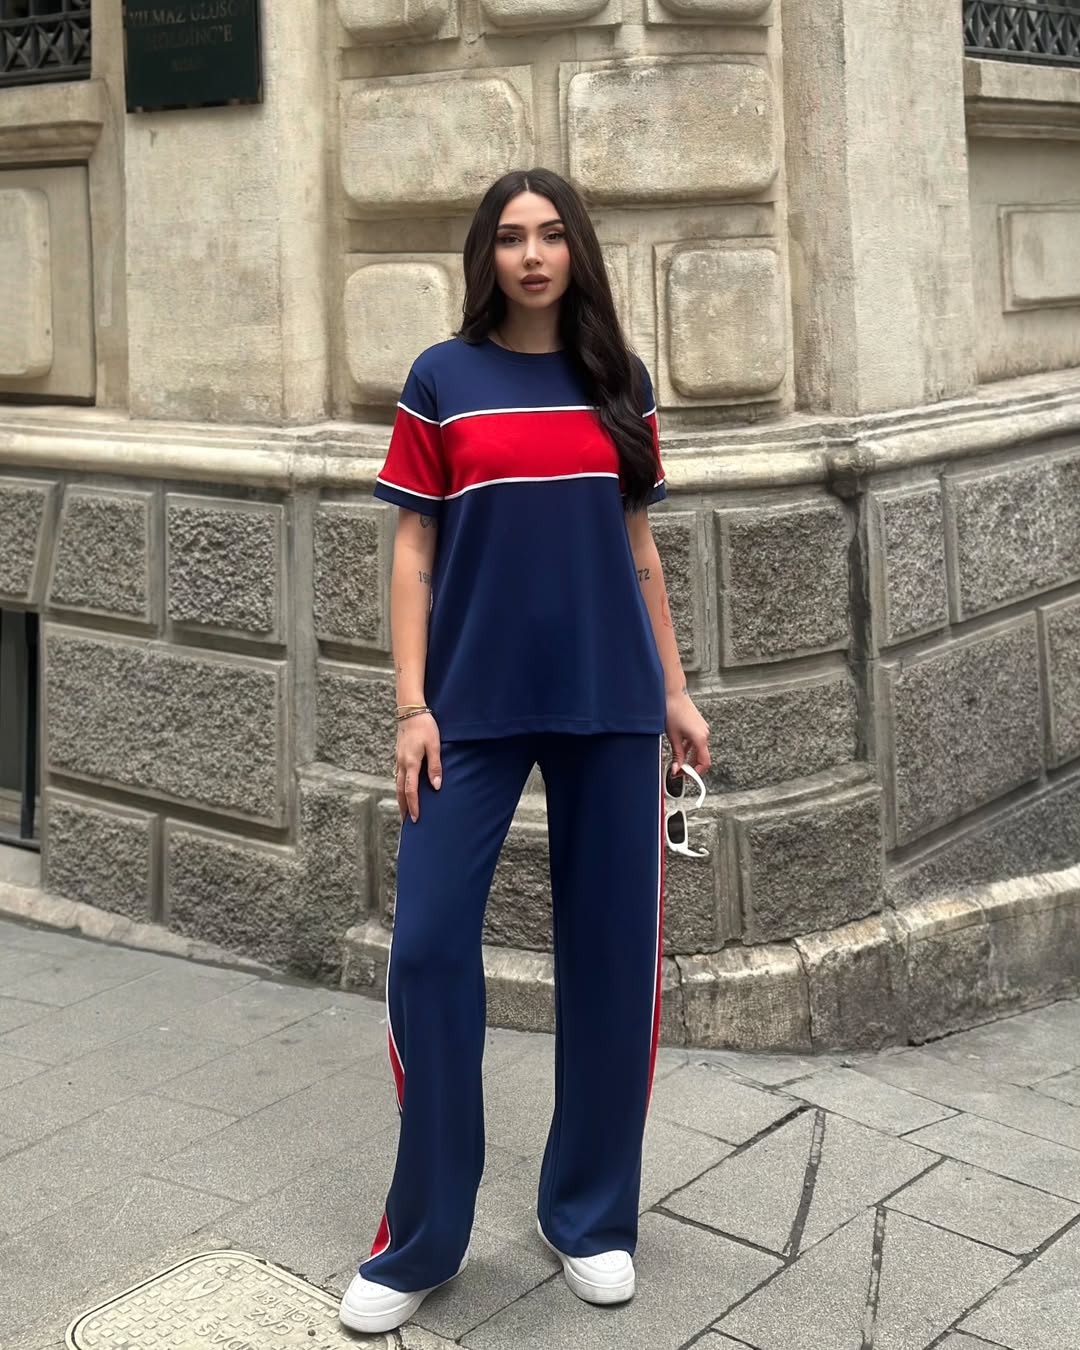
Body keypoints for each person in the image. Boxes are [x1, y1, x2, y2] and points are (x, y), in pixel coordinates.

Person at [338, 167, 711, 1335]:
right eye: (511, 237)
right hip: (469, 708)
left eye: (552, 235)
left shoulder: (619, 382)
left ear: (576, 250)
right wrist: (411, 706)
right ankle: (422, 1238)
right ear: (487, 255)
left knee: (613, 962)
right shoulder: (441, 381)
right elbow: (413, 554)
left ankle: (588, 1216)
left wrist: (676, 692)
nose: (534, 255)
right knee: (427, 947)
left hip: (611, 702)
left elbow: (638, 547)